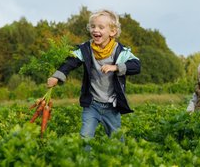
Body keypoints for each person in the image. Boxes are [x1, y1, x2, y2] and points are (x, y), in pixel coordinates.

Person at [46, 9, 140, 138]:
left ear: (112, 32)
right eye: (93, 26)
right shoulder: (86, 49)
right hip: (92, 104)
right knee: (85, 136)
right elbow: (70, 62)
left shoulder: (120, 51)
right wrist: (56, 76)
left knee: (116, 139)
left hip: (112, 106)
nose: (96, 30)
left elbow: (136, 66)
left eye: (101, 27)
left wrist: (115, 67)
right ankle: (85, 158)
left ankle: (120, 157)